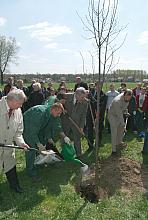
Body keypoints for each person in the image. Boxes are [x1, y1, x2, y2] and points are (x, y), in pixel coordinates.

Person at [23, 102, 70, 181]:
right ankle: (31, 172)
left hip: (38, 129)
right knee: (31, 149)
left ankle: (38, 163)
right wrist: (38, 143)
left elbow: (47, 127)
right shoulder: (39, 113)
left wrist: (49, 138)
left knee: (42, 145)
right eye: (58, 113)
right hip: (27, 129)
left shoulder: (51, 114)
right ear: (53, 109)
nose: (59, 115)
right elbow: (32, 131)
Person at [0, 89, 29, 193]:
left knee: (10, 166)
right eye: (20, 103)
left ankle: (15, 186)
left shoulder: (18, 111)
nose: (21, 106)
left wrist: (21, 143)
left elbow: (18, 133)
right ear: (12, 100)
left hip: (8, 147)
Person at [60, 87, 88, 157]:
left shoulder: (85, 102)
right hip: (66, 121)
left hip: (76, 122)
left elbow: (83, 115)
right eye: (82, 97)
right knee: (64, 138)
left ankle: (79, 154)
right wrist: (62, 107)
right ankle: (65, 154)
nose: (83, 99)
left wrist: (81, 127)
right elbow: (58, 98)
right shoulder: (67, 96)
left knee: (77, 138)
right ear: (76, 94)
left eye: (84, 97)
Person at [108, 89, 133, 155]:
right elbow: (119, 114)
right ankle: (114, 150)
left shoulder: (127, 98)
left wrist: (126, 112)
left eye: (129, 98)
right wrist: (123, 124)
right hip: (113, 115)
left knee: (120, 131)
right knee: (114, 132)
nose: (128, 99)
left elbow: (124, 107)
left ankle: (119, 144)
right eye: (127, 97)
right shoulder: (117, 101)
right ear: (124, 95)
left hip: (120, 114)